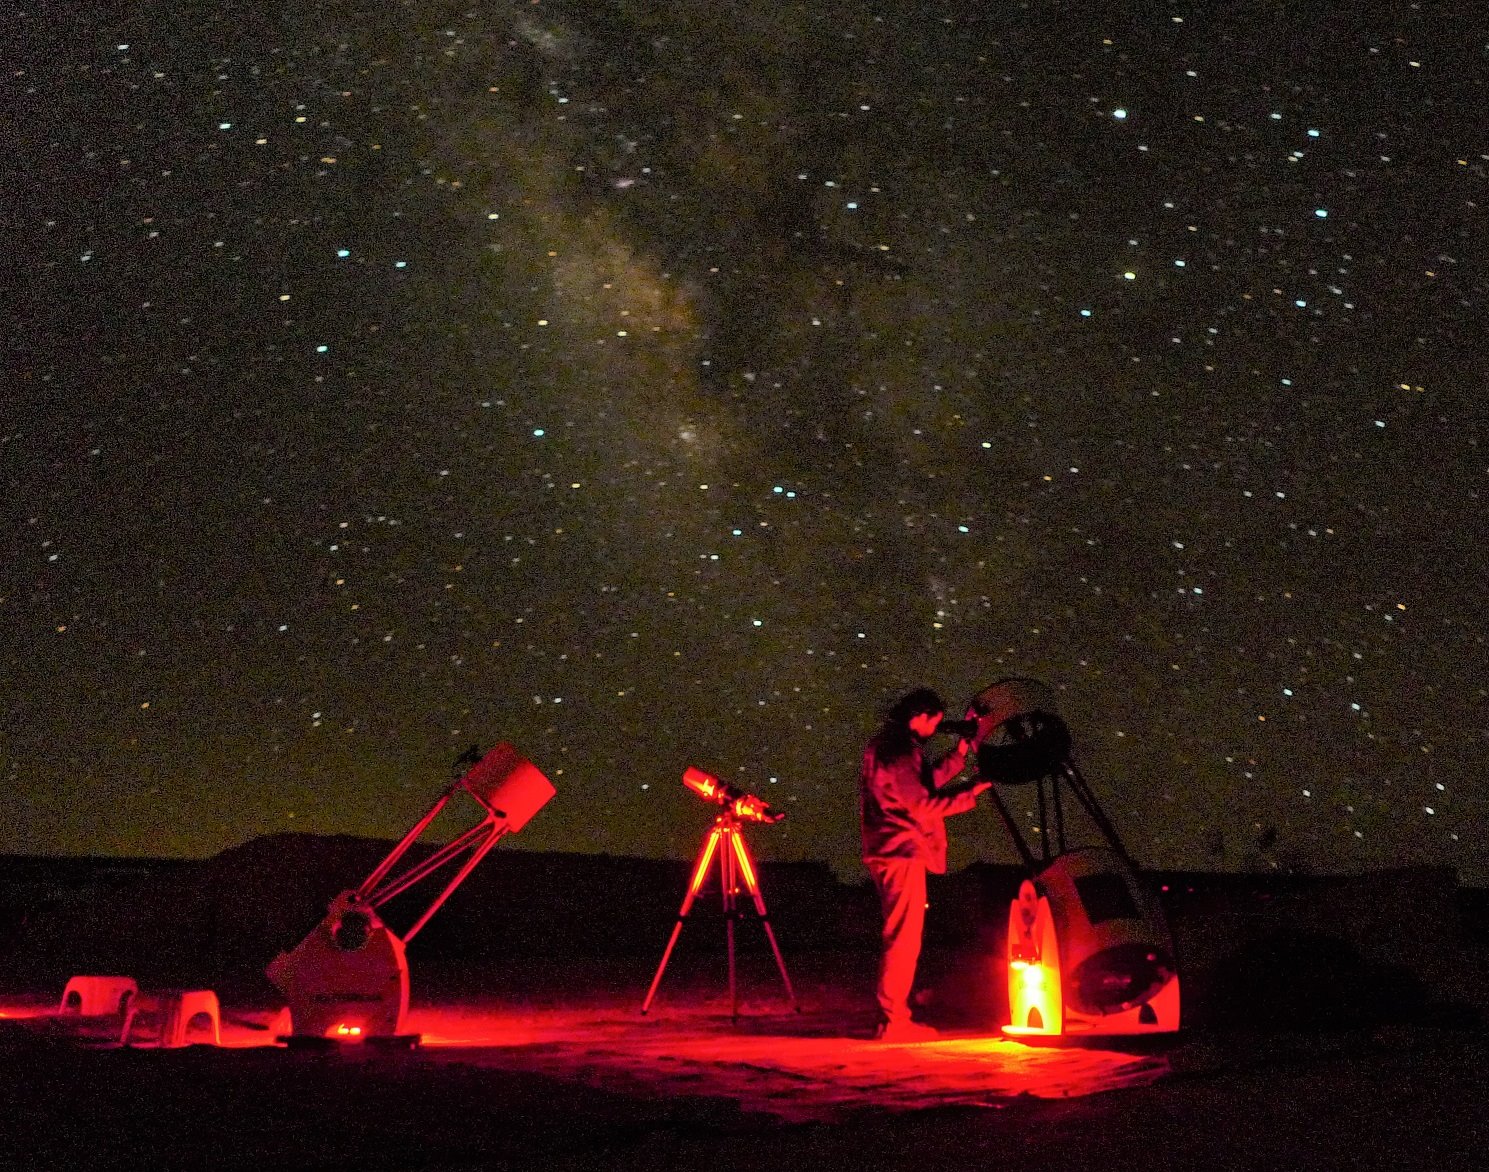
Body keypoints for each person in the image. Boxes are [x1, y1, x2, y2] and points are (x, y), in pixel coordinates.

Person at [860, 687, 990, 1041]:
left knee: (899, 935)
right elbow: (924, 805)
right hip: (900, 851)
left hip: (887, 849)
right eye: (934, 720)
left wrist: (959, 755)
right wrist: (970, 794)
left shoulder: (887, 745)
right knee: (903, 938)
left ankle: (892, 1016)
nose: (936, 727)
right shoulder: (901, 750)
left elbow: (920, 785)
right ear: (921, 716)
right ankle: (895, 1020)